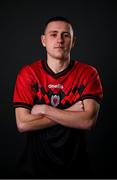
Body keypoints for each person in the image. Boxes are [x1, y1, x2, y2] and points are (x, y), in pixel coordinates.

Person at [13, 16, 103, 178]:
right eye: (53, 34)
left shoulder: (88, 73)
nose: (60, 40)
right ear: (43, 40)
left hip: (77, 167)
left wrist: (45, 109)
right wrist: (72, 110)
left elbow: (88, 121)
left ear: (73, 41)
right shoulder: (28, 73)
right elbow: (22, 124)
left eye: (65, 35)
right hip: (34, 168)